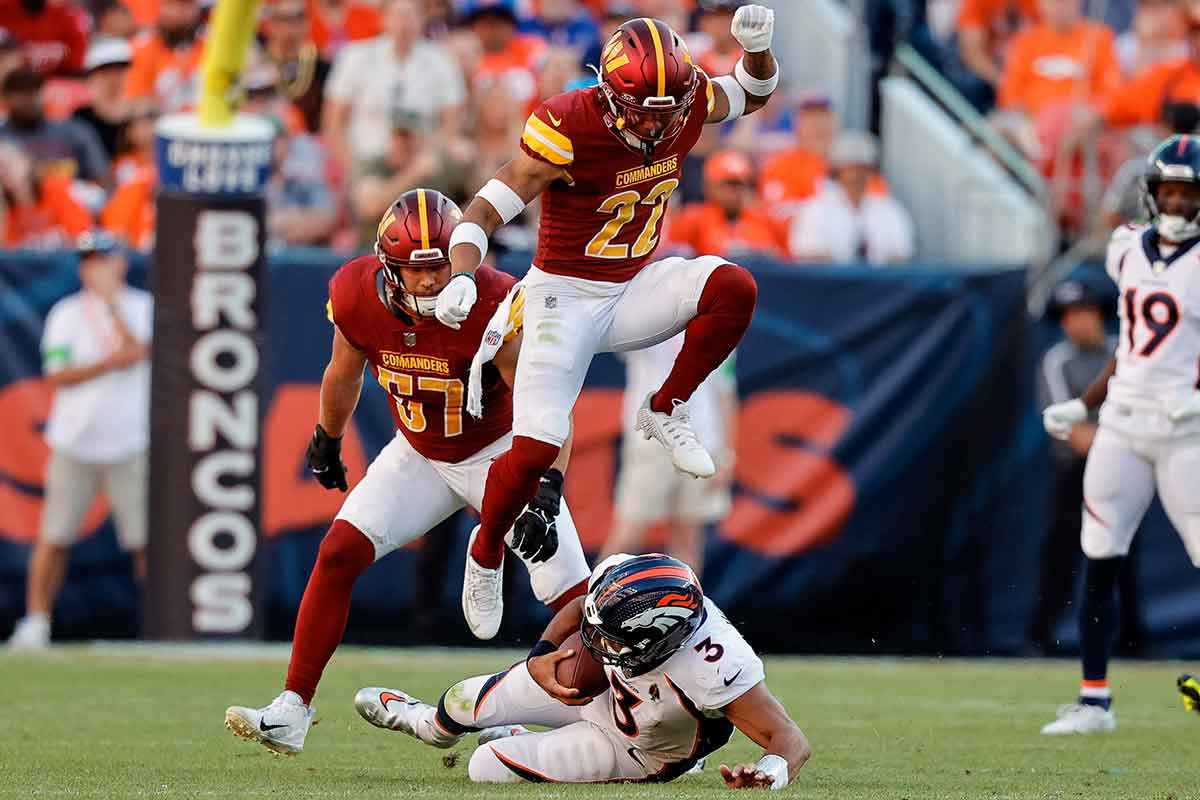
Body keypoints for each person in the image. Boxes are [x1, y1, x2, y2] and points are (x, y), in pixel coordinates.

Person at [434, 7, 778, 641]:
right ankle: (483, 554)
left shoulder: (683, 100)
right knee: (537, 444)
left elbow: (752, 93)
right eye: (643, 109)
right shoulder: (570, 123)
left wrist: (757, 50)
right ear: (611, 92)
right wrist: (462, 271)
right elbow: (488, 204)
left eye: (666, 108)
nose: (656, 121)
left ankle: (667, 406)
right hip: (563, 295)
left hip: (633, 285)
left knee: (732, 286)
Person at [224, 189, 591, 755]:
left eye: (441, 266)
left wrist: (546, 488)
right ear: (385, 265)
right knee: (339, 552)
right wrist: (327, 436)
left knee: (576, 595)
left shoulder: (493, 299)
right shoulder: (354, 291)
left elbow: (545, 408)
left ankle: (633, 716)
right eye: (414, 271)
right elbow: (343, 371)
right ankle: (293, 707)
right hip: (419, 452)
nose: (428, 283)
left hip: (499, 453)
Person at [354, 552, 812, 787]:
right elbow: (581, 605)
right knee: (460, 702)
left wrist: (772, 773)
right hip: (604, 693)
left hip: (637, 747)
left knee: (485, 765)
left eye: (609, 638)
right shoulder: (630, 580)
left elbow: (790, 740)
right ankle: (423, 722)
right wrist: (542, 653)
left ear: (659, 641)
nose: (593, 644)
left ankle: (516, 738)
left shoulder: (716, 665)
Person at [1041, 133, 1200, 734]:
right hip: (1123, 425)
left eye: (1190, 193)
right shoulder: (1126, 248)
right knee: (1099, 557)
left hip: (1185, 431)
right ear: (1153, 195)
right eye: (1171, 191)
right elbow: (1131, 349)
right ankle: (1093, 701)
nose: (1180, 203)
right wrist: (1084, 404)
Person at [6, 231, 151, 649]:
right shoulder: (66, 313)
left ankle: (159, 625)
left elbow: (138, 351)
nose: (95, 268)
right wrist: (108, 362)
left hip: (129, 443)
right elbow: (56, 375)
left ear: (120, 263)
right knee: (53, 537)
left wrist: (111, 306)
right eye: (88, 261)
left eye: (102, 259)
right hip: (74, 443)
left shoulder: (143, 307)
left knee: (144, 541)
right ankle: (36, 621)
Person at [1030, 279, 1143, 654]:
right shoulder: (1056, 361)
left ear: (1097, 313)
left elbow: (1143, 413)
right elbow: (1072, 433)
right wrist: (1118, 435)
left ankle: (1132, 638)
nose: (1076, 322)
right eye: (1068, 316)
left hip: (1126, 470)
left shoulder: (1123, 354)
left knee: (1123, 553)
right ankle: (1041, 635)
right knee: (1063, 550)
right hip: (1077, 472)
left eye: (1083, 312)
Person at [604, 340, 736, 575]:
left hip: (704, 444)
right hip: (653, 443)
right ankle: (591, 608)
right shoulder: (648, 311)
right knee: (627, 537)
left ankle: (686, 610)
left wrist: (726, 455)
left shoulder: (722, 318)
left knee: (687, 543)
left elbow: (726, 391)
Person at [322, 0, 466, 177]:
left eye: (412, 14)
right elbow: (333, 120)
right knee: (369, 193)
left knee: (465, 156)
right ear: (384, 18)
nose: (404, 22)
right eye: (398, 14)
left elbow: (452, 121)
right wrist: (350, 167)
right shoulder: (355, 56)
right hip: (368, 159)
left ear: (423, 18)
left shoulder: (442, 59)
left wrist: (431, 150)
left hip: (424, 160)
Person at [789, 130, 915, 264]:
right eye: (851, 168)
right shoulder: (815, 209)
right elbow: (805, 256)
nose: (857, 175)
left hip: (878, 283)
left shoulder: (890, 209)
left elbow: (902, 256)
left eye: (863, 168)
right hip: (831, 283)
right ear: (837, 171)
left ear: (871, 171)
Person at [0, 66, 110, 187]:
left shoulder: (74, 131)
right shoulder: (2, 137)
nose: (29, 99)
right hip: (16, 202)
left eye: (35, 91)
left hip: (70, 200)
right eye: (21, 93)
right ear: (6, 98)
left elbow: (102, 180)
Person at [667, 148, 785, 259]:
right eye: (728, 184)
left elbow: (783, 262)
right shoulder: (693, 218)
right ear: (710, 187)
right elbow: (672, 260)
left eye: (740, 184)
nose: (735, 191)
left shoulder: (764, 220)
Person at [72, 38, 134, 162]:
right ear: (92, 75)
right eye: (106, 71)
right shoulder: (81, 116)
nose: (113, 78)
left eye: (119, 70)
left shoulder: (137, 115)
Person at [0, 0, 88, 77]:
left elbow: (77, 63)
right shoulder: (4, 10)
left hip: (55, 86)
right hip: (9, 84)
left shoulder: (66, 15)